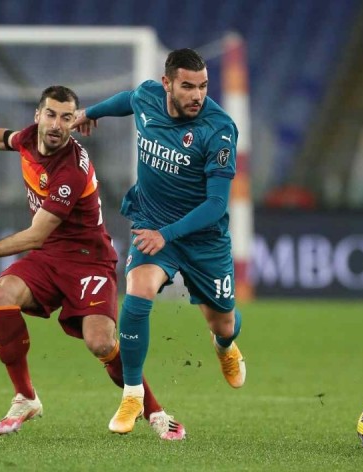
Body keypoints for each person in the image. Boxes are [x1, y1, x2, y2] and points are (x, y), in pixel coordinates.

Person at [0, 85, 185, 440]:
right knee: (4, 291)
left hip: (88, 261)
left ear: (75, 122)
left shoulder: (69, 170)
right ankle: (25, 397)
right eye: (51, 115)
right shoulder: (31, 137)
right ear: (38, 115)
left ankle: (155, 412)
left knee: (100, 342)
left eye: (67, 117)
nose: (57, 125)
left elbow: (35, 236)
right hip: (49, 257)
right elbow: (4, 138)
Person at [71, 49, 246, 435]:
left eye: (202, 86)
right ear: (167, 84)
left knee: (223, 321)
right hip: (152, 222)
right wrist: (91, 113)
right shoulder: (149, 96)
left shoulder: (218, 130)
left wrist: (166, 235)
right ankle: (133, 394)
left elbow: (217, 204)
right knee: (138, 288)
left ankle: (225, 346)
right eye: (187, 86)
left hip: (202, 238)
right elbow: (128, 100)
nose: (197, 95)